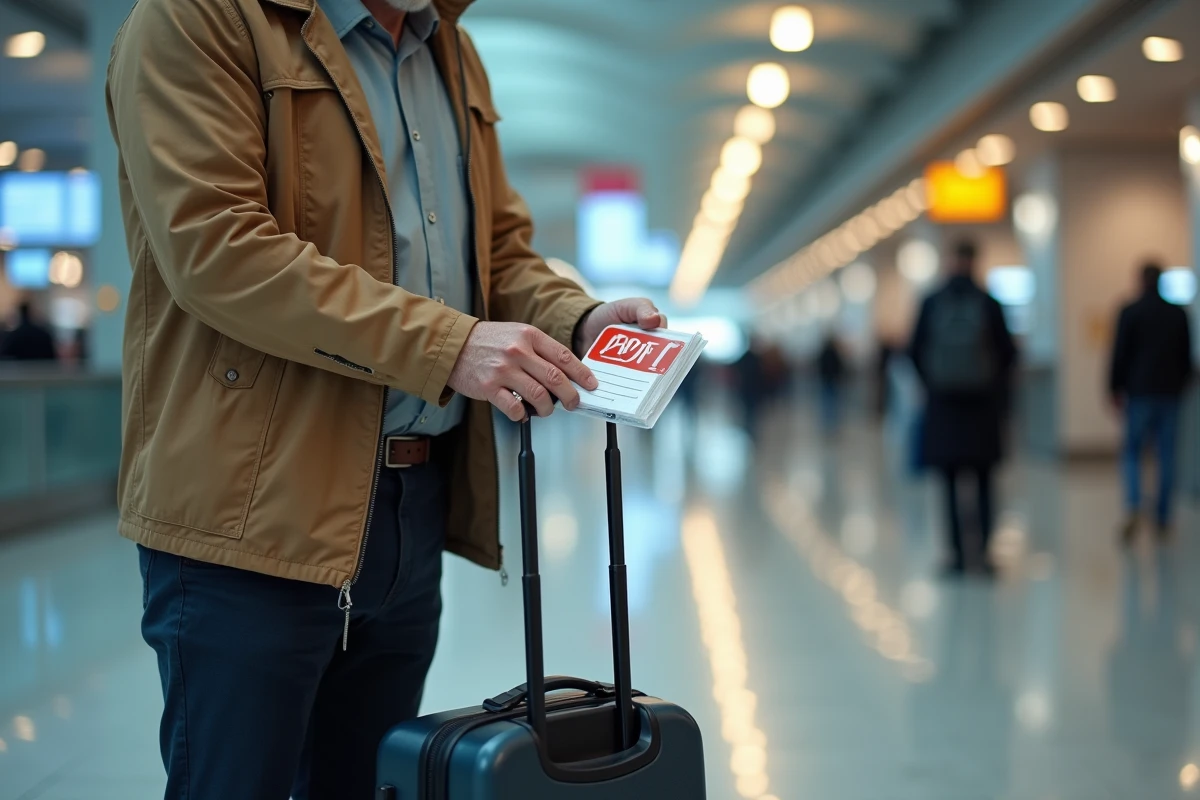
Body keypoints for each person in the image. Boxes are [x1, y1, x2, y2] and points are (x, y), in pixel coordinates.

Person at [105, 1, 664, 798]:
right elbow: (219, 250)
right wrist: (450, 345)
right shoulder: (201, 18)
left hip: (409, 504)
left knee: (366, 783)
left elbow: (497, 253)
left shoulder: (450, 51)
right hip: (252, 509)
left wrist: (576, 316)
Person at [910, 241, 1017, 577]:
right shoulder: (988, 303)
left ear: (949, 260)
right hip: (982, 408)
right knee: (984, 483)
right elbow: (1008, 353)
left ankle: (955, 556)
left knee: (948, 485)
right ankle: (983, 555)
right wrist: (994, 389)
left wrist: (933, 385)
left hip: (944, 407)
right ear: (975, 262)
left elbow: (914, 350)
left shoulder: (931, 302)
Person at [1108, 262, 1193, 543]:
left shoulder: (1130, 312)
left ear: (1141, 281)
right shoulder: (1178, 314)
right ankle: (1163, 516)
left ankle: (1134, 504)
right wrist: (1182, 385)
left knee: (1132, 452)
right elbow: (1186, 357)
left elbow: (1119, 353)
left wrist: (1114, 388)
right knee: (1166, 455)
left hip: (1140, 392)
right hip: (1170, 393)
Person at [816, 334, 846, 433]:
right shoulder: (835, 353)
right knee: (832, 402)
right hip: (832, 380)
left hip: (825, 380)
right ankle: (832, 423)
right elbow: (839, 367)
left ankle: (826, 422)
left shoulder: (823, 353)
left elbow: (819, 366)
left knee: (826, 402)